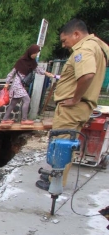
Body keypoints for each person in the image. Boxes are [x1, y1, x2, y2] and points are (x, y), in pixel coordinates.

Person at [46, 18, 109, 191]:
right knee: (69, 144)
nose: (65, 45)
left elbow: (87, 75)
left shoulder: (85, 48)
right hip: (82, 107)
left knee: (61, 143)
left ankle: (55, 184)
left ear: (76, 34)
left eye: (65, 41)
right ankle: (57, 178)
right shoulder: (98, 46)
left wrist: (74, 98)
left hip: (72, 108)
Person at [1, 45, 55, 125]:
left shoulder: (32, 62)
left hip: (21, 85)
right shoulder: (21, 61)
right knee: (27, 100)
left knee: (13, 103)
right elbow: (11, 73)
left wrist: (47, 74)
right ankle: (24, 119)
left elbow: (38, 69)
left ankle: (5, 119)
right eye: (35, 53)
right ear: (30, 52)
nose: (36, 55)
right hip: (17, 84)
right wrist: (7, 83)